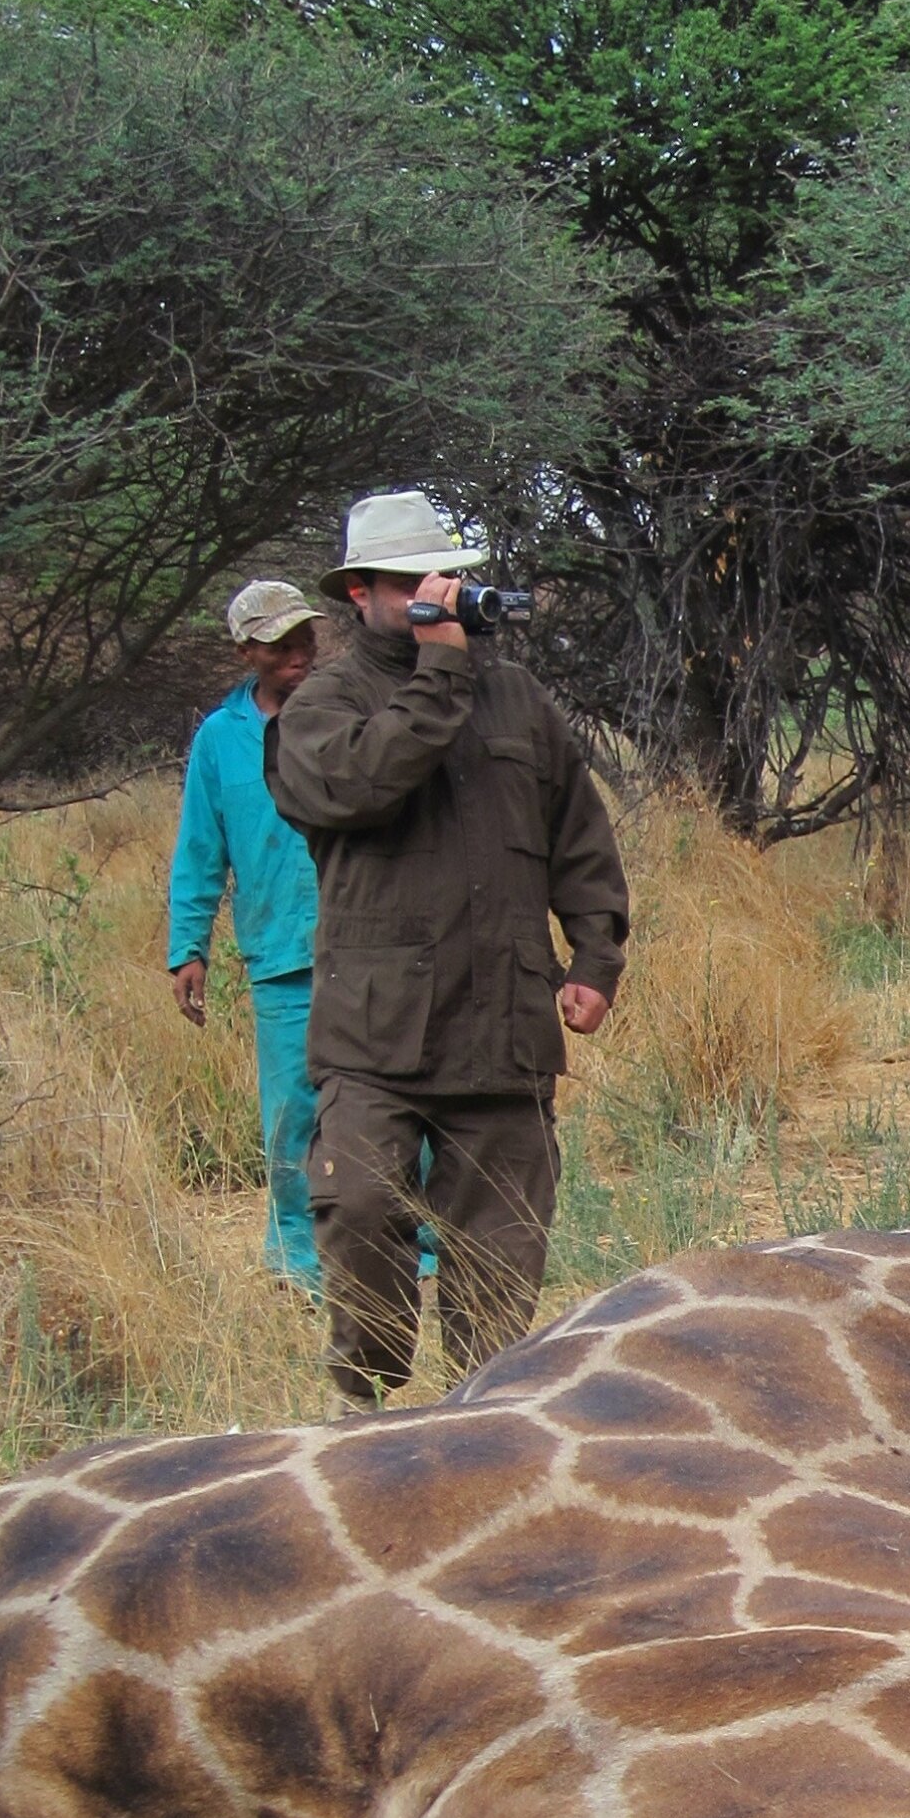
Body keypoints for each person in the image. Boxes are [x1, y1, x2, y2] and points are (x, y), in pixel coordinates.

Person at [269, 490, 629, 1408]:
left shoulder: (516, 698)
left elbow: (577, 833)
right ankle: (369, 1399)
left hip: (501, 1030)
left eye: (451, 576)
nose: (440, 591)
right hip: (374, 1037)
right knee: (355, 1208)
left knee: (500, 1269)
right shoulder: (320, 707)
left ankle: (481, 1434)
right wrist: (438, 672)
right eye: (413, 581)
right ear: (360, 591)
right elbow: (359, 788)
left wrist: (594, 958)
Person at [165, 583, 325, 1289]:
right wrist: (188, 947)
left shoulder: (342, 713)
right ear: (247, 651)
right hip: (277, 955)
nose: (298, 658)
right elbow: (200, 849)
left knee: (387, 1105)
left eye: (305, 642)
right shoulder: (219, 740)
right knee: (293, 1111)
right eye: (282, 646)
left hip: (367, 947)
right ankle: (297, 1256)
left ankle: (410, 1246)